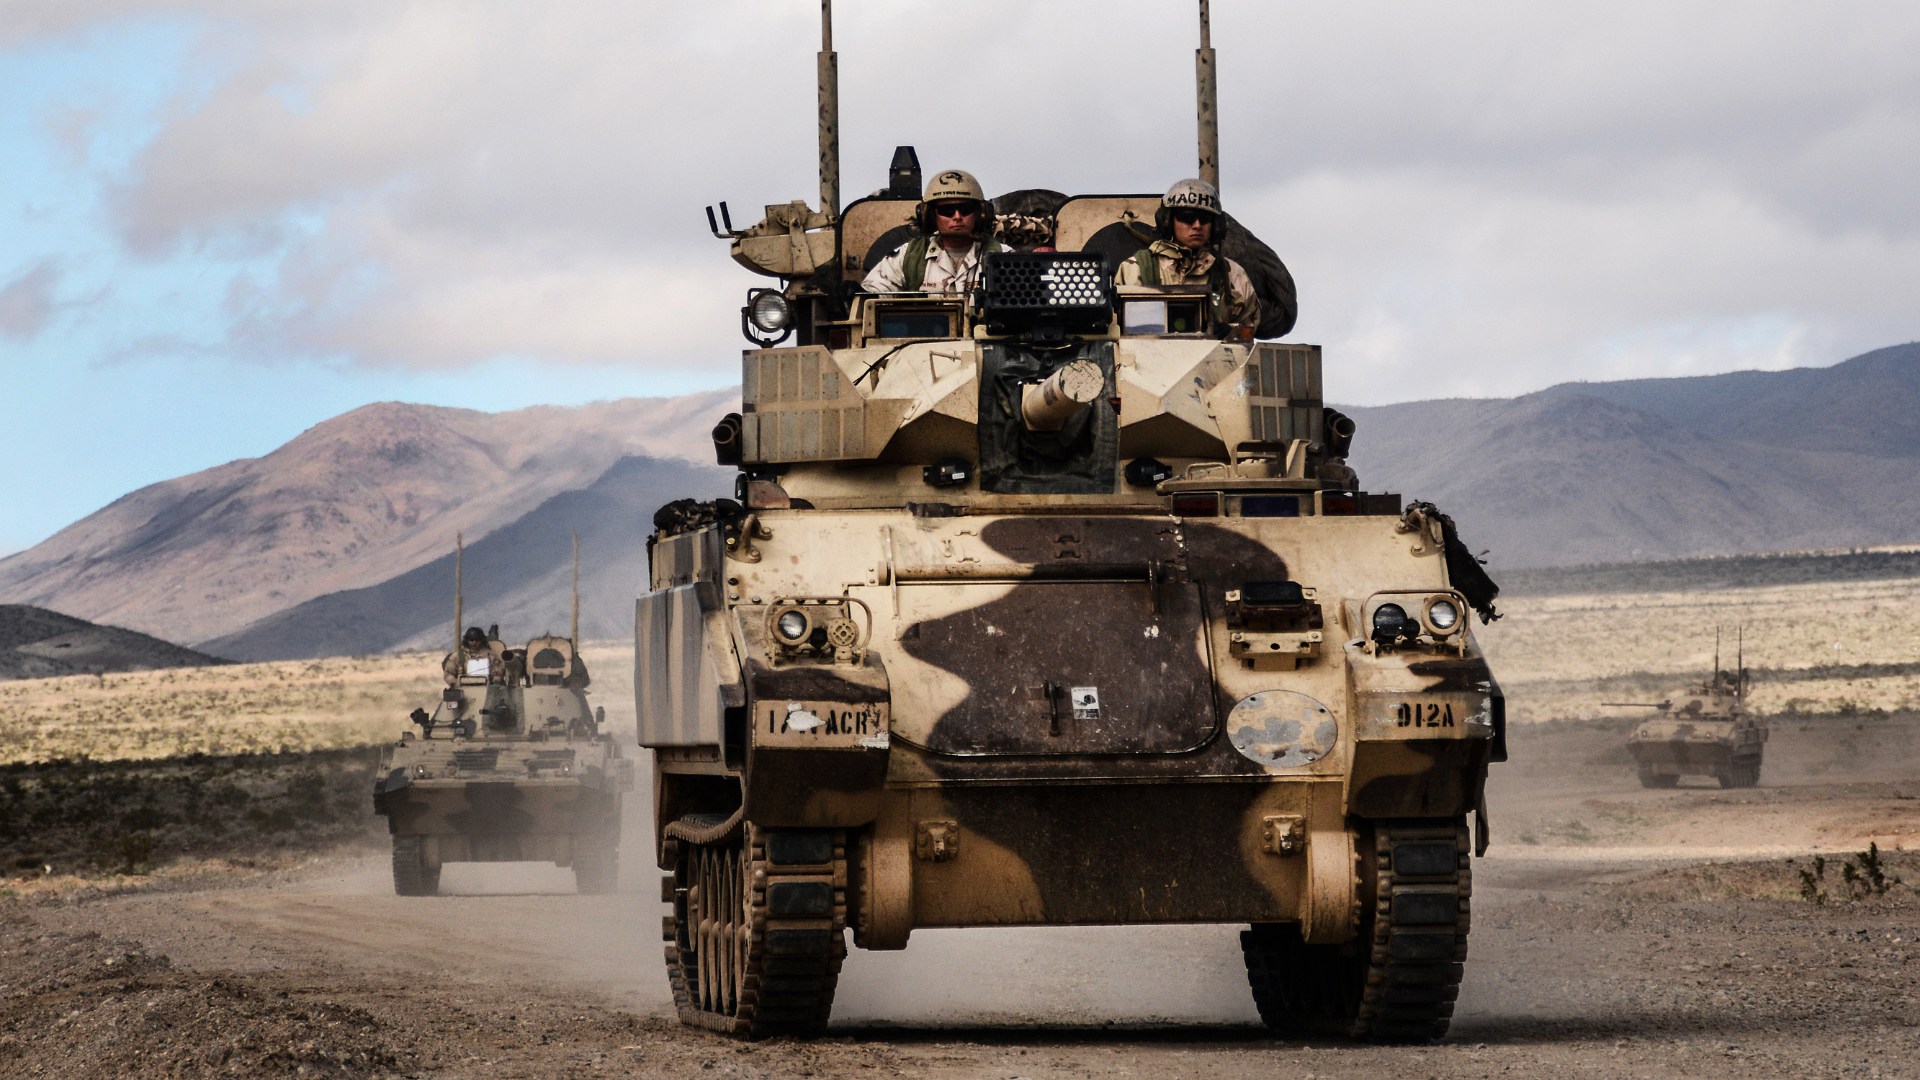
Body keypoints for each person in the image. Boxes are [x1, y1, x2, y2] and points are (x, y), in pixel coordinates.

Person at [1113, 178, 1262, 333]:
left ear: (1216, 226)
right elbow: (1116, 330)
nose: (1197, 225)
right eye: (1187, 218)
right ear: (1168, 222)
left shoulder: (1232, 275)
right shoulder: (1136, 269)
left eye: (1205, 219)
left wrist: (1230, 332)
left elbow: (1248, 331)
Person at [862, 168, 1008, 296]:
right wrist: (858, 293)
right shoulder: (911, 256)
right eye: (947, 211)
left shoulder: (1003, 256)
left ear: (980, 214)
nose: (957, 217)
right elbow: (876, 292)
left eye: (965, 209)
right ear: (930, 216)